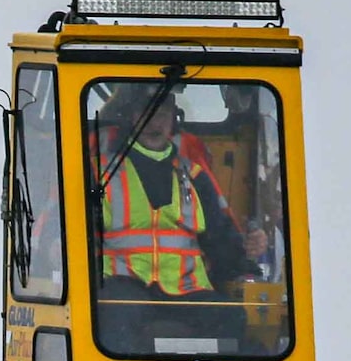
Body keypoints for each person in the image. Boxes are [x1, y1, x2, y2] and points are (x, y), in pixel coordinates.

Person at [95, 87, 271, 301]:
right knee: (114, 315)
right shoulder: (101, 173)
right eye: (146, 113)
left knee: (229, 317)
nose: (155, 122)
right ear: (132, 117)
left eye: (162, 114)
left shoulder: (195, 176)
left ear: (174, 120)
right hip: (122, 286)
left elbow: (219, 239)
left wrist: (246, 248)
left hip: (184, 289)